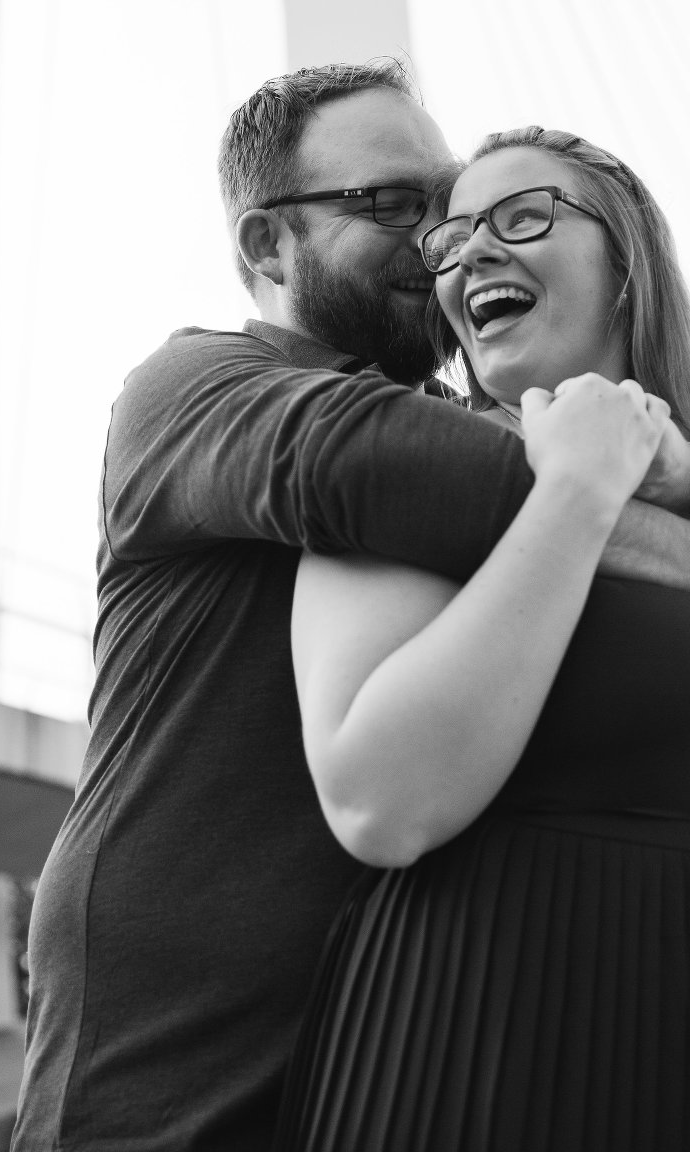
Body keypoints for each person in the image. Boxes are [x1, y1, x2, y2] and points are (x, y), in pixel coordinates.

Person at [11, 60, 690, 1152]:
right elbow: (397, 468)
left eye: (451, 203)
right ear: (264, 248)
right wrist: (628, 470)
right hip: (176, 1060)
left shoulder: (463, 426)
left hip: (393, 1037)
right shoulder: (193, 388)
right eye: (394, 205)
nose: (440, 241)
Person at [274, 128, 690, 1152]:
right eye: (451, 243)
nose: (472, 257)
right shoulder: (400, 463)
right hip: (471, 1048)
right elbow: (380, 801)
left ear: (627, 260)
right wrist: (578, 489)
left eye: (523, 218)